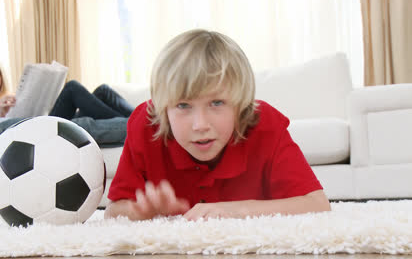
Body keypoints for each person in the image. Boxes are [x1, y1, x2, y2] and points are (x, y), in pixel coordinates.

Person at [104, 29, 331, 221]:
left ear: (240, 103)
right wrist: (146, 212)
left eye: (217, 103)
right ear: (164, 107)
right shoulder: (145, 124)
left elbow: (317, 205)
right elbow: (112, 212)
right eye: (183, 105)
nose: (200, 125)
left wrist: (236, 209)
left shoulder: (265, 124)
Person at [0, 40, 130, 147]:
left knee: (98, 95)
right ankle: (143, 126)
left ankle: (142, 120)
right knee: (77, 126)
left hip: (1, 124)